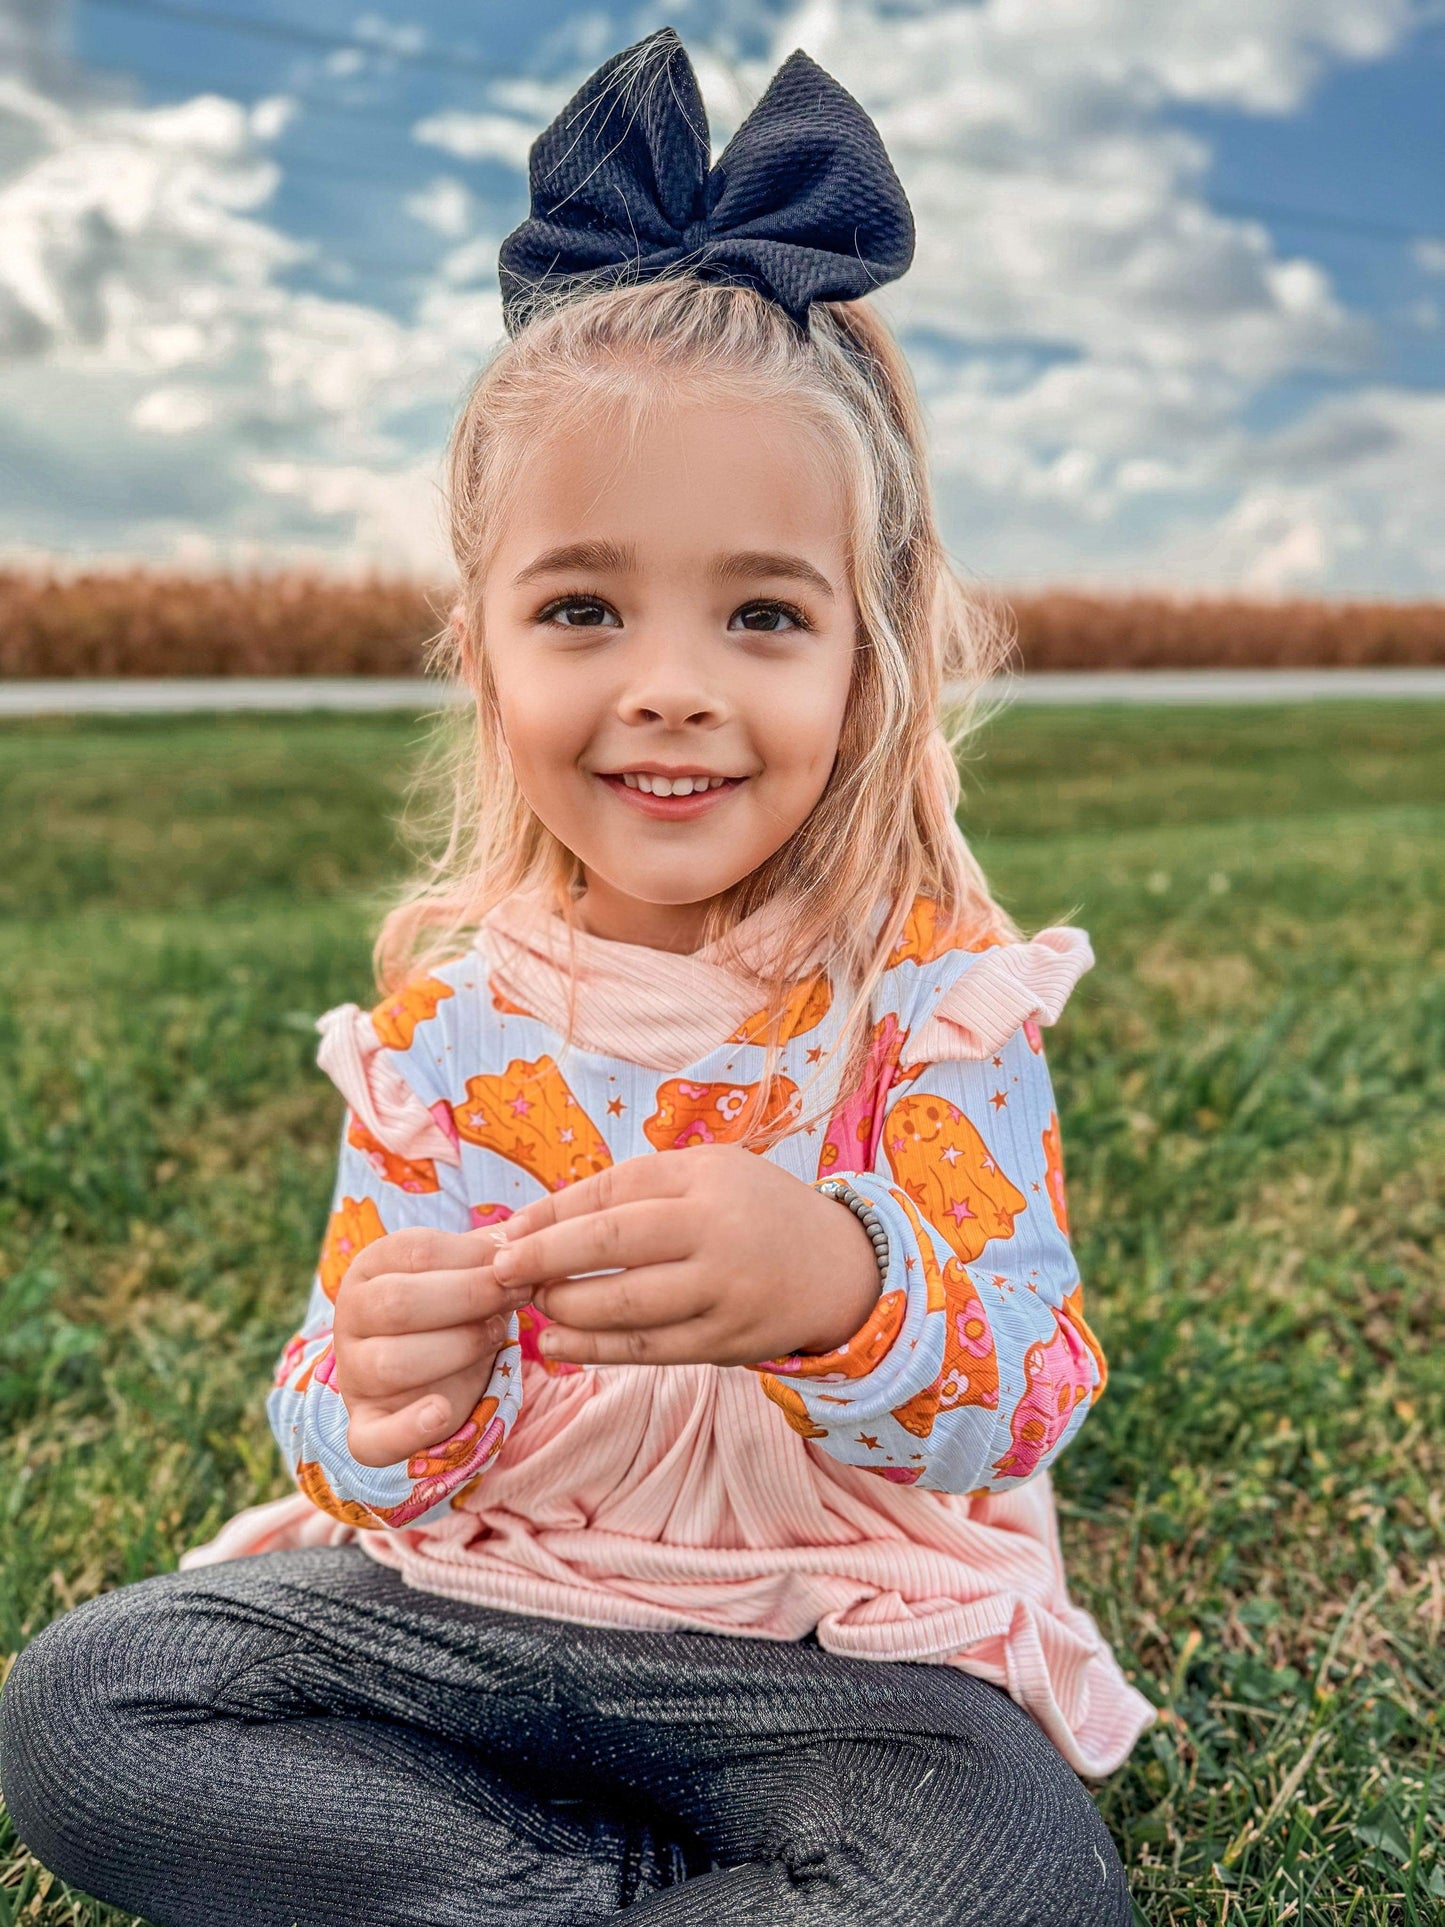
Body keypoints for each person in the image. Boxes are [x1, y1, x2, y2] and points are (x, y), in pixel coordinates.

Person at [0, 27, 1156, 1925]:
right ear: (482, 649)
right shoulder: (451, 1027)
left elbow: (1028, 1382)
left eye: (762, 615)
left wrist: (838, 1285)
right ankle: (615, 1900)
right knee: (93, 1702)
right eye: (584, 609)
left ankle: (509, 1894)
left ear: (867, 664)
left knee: (1006, 1879)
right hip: (467, 1613)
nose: (671, 682)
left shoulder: (930, 1003)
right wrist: (377, 1396)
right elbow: (328, 1395)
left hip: (818, 1659)